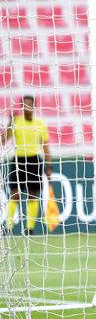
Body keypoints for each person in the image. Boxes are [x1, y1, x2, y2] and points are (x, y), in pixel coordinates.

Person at [2, 95, 52, 234]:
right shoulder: (16, 122)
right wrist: (9, 122)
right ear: (22, 107)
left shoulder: (40, 124)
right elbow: (4, 140)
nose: (27, 108)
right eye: (25, 105)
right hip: (18, 160)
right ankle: (8, 227)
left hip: (35, 160)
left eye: (30, 105)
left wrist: (49, 166)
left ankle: (30, 229)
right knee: (15, 194)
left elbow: (45, 146)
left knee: (33, 194)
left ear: (34, 106)